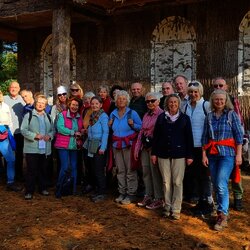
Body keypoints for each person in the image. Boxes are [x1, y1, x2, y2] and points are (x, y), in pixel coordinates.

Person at [202, 89, 243, 231]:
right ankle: (220, 210)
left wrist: (238, 155)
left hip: (227, 154)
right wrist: (204, 154)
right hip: (212, 153)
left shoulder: (232, 115)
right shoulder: (209, 116)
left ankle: (223, 214)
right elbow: (205, 137)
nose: (219, 102)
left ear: (226, 101)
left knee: (220, 183)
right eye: (216, 99)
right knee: (215, 182)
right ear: (212, 101)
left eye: (221, 99)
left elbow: (239, 137)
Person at [151, 93, 194, 220]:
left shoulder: (185, 118)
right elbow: (156, 137)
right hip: (162, 154)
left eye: (175, 102)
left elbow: (189, 138)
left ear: (179, 104)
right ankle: (167, 206)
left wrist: (190, 155)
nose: (173, 104)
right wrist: (154, 153)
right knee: (166, 182)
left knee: (177, 182)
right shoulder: (161, 118)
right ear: (167, 104)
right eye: (171, 102)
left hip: (179, 154)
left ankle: (176, 209)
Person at [212, 77, 245, 211]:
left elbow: (239, 125)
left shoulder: (232, 103)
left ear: (226, 87)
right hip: (215, 149)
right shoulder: (212, 105)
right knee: (219, 180)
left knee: (234, 174)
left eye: (221, 85)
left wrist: (239, 151)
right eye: (216, 86)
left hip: (231, 146)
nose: (218, 87)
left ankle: (238, 197)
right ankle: (219, 205)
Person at [181, 81, 214, 216]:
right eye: (191, 92)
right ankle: (200, 202)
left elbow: (211, 126)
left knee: (205, 176)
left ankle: (208, 203)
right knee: (194, 175)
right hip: (190, 147)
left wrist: (208, 147)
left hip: (204, 148)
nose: (193, 94)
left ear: (200, 92)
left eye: (196, 92)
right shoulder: (186, 107)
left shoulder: (206, 105)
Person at [109, 90, 142, 205]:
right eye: (119, 99)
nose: (121, 101)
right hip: (116, 145)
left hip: (129, 145)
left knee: (130, 170)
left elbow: (141, 127)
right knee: (120, 170)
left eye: (123, 99)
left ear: (127, 101)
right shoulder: (112, 114)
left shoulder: (132, 113)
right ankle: (122, 192)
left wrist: (133, 124)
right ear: (115, 101)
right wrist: (109, 125)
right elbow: (111, 129)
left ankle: (131, 194)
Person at [134, 92, 164, 210]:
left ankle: (158, 198)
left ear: (158, 101)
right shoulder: (146, 115)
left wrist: (156, 150)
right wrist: (137, 148)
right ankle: (149, 195)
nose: (150, 103)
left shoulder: (161, 115)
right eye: (147, 101)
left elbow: (161, 134)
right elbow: (141, 131)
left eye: (152, 101)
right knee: (146, 171)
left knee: (155, 173)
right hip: (145, 147)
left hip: (154, 147)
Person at [21, 95, 54, 200]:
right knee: (31, 170)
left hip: (45, 149)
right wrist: (34, 136)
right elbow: (23, 130)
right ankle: (29, 191)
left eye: (43, 103)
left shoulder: (49, 117)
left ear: (45, 105)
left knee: (43, 170)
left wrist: (50, 136)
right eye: (39, 102)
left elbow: (53, 130)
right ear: (35, 103)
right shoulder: (28, 115)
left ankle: (42, 188)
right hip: (32, 148)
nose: (40, 104)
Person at [54, 97, 83, 194]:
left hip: (74, 145)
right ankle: (59, 188)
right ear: (69, 105)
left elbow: (81, 128)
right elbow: (60, 128)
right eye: (73, 105)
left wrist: (82, 131)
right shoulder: (62, 114)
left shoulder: (79, 117)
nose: (75, 107)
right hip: (63, 145)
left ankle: (73, 189)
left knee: (74, 167)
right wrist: (73, 132)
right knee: (65, 166)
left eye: (77, 105)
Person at [84, 96, 109, 202]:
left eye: (96, 104)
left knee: (99, 170)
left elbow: (105, 132)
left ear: (100, 105)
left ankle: (102, 193)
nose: (94, 105)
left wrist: (103, 147)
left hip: (99, 146)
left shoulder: (103, 116)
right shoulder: (92, 115)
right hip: (91, 145)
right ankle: (97, 190)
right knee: (93, 169)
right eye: (92, 103)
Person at [4, 81, 25, 181]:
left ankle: (19, 174)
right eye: (12, 87)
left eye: (16, 87)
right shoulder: (4, 99)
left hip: (19, 131)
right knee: (7, 154)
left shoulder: (22, 99)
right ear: (9, 88)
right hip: (8, 132)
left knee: (19, 154)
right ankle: (7, 175)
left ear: (19, 88)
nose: (13, 89)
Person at [0, 91, 21, 192]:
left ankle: (10, 182)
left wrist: (10, 134)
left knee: (11, 159)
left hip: (5, 134)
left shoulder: (5, 106)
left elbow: (10, 121)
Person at [81, 91, 95, 194]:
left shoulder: (95, 111)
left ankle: (93, 184)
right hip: (85, 139)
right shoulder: (84, 110)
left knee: (93, 161)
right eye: (85, 99)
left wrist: (88, 129)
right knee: (86, 161)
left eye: (89, 99)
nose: (87, 101)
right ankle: (88, 183)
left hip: (94, 140)